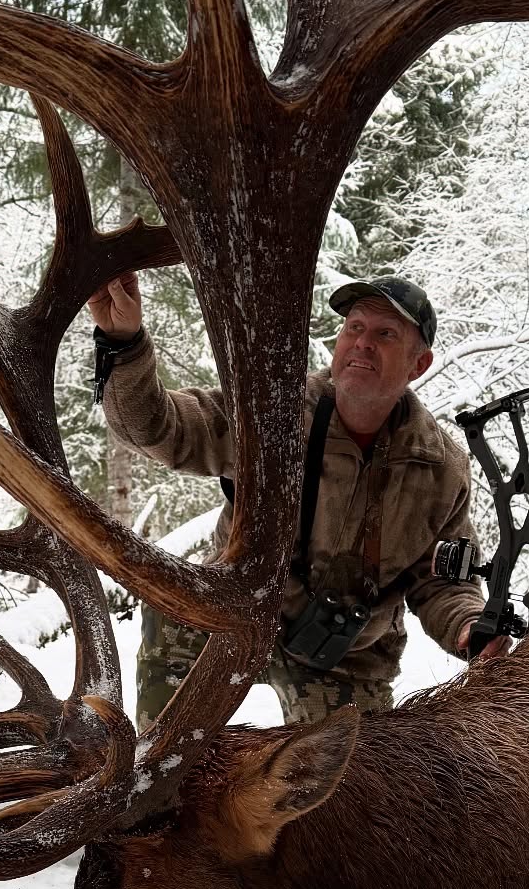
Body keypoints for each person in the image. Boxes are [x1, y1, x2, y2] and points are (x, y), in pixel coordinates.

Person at [89, 270, 487, 729]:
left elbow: (441, 581)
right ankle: (164, 772)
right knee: (175, 621)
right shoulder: (271, 410)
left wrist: (468, 628)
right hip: (237, 613)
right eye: (354, 328)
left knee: (348, 788)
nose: (362, 343)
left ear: (419, 364)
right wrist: (124, 341)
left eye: (385, 334)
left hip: (345, 656)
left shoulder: (440, 469)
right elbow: (157, 427)